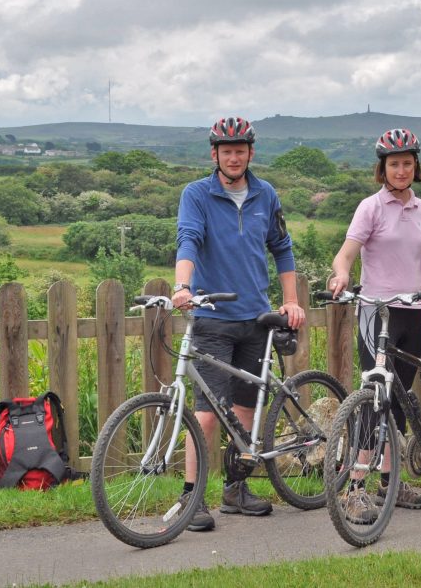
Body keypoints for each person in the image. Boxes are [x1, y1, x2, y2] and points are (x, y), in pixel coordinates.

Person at [172, 116, 306, 531]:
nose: (234, 156)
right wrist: (182, 285)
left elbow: (281, 248)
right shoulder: (196, 194)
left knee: (246, 408)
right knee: (207, 414)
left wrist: (291, 301)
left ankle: (235, 488)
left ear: (250, 153)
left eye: (240, 150)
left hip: (257, 318)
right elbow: (188, 238)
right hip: (212, 319)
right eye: (226, 150)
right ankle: (192, 497)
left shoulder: (266, 194)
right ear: (214, 155)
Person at [329, 127, 421, 522]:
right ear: (381, 169)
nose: (401, 170)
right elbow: (345, 255)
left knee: (399, 400)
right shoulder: (371, 207)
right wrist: (341, 276)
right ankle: (355, 490)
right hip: (376, 311)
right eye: (393, 164)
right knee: (375, 397)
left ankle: (391, 483)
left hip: (413, 313)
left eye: (407, 163)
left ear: (416, 166)